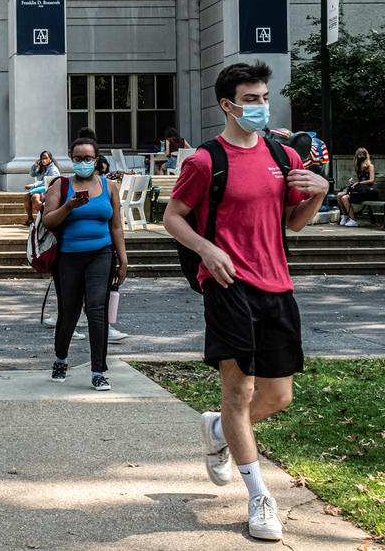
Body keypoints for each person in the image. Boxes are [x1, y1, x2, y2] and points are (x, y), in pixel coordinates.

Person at [163, 61, 328, 542]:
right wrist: (207, 248)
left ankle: (217, 432)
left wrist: (318, 193)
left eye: (263, 97)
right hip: (228, 284)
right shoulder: (205, 161)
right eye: (250, 99)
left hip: (278, 285)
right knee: (237, 394)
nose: (260, 106)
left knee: (278, 396)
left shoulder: (283, 157)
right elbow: (174, 217)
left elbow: (294, 222)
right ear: (227, 105)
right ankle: (259, 497)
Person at [41, 137, 128, 391]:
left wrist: (123, 259)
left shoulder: (108, 186)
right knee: (69, 311)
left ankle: (98, 370)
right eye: (77, 159)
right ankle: (61, 359)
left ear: (96, 160)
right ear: (71, 159)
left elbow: (116, 225)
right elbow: (49, 221)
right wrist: (69, 206)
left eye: (87, 158)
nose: (82, 163)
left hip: (101, 254)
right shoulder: (61, 185)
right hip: (69, 257)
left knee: (96, 310)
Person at [336, 147, 376, 226]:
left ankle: (353, 220)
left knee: (344, 198)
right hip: (360, 190)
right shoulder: (358, 167)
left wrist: (358, 183)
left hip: (367, 192)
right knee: (339, 195)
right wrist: (353, 182)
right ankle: (345, 215)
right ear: (356, 156)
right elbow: (359, 182)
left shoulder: (370, 166)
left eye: (363, 154)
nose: (361, 156)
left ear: (366, 155)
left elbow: (371, 180)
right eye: (359, 155)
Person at [25, 150, 60, 225]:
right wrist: (35, 166)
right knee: (27, 196)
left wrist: (32, 185)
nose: (43, 160)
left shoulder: (53, 169)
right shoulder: (42, 168)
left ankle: (45, 218)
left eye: (46, 158)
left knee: (35, 198)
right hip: (41, 188)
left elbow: (47, 182)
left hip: (50, 189)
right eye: (42, 158)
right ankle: (30, 219)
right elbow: (32, 174)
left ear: (50, 159)